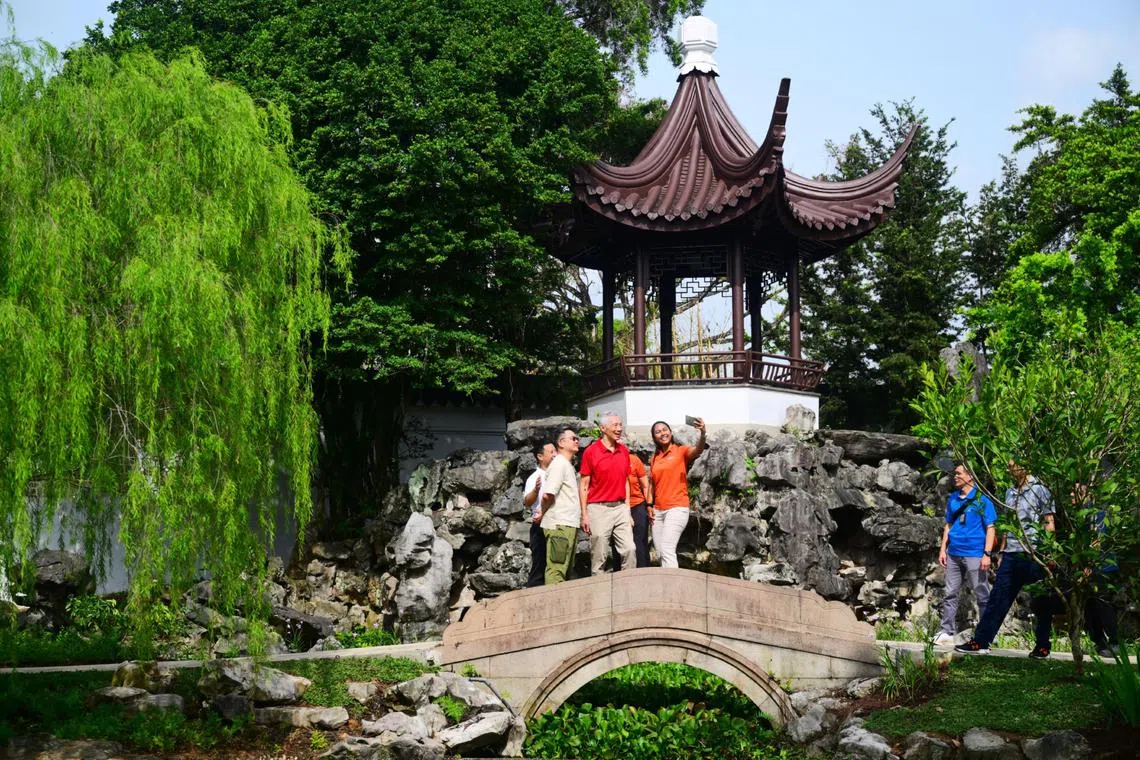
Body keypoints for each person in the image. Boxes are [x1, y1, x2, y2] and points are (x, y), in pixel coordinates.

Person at [956, 459, 1055, 655]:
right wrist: (1001, 551)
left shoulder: (1041, 490)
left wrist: (1049, 552)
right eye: (1008, 466)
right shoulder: (1010, 493)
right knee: (998, 598)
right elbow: (1009, 525)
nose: (1010, 469)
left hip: (1034, 553)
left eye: (1013, 465)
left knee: (1042, 601)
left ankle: (1043, 645)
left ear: (1025, 464)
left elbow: (1049, 522)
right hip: (1010, 554)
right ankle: (981, 641)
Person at [1026, 484, 1120, 659]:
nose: (1071, 495)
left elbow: (1096, 543)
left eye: (1075, 492)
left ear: (1087, 495)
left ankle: (1115, 642)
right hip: (1082, 568)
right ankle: (1099, 642)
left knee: (1102, 603)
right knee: (1087, 606)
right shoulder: (1077, 518)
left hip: (1100, 567)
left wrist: (1089, 567)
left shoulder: (1096, 515)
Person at [935, 464, 997, 646]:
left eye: (958, 474)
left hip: (975, 553)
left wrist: (987, 554)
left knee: (982, 594)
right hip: (954, 552)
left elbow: (991, 528)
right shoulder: (953, 498)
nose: (955, 477)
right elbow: (948, 525)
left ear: (970, 476)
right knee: (950, 593)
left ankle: (986, 635)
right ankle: (946, 632)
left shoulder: (982, 500)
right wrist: (943, 548)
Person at [579, 412, 636, 575]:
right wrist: (584, 514)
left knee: (630, 549)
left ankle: (628, 590)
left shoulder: (624, 451)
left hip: (620, 508)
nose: (619, 428)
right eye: (615, 425)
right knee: (599, 555)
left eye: (620, 425)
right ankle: (599, 594)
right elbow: (584, 484)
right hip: (598, 508)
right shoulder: (591, 452)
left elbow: (625, 481)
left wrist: (628, 509)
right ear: (603, 428)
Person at [648, 418, 707, 568]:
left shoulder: (680, 451)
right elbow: (652, 484)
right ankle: (666, 586)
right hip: (658, 511)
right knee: (661, 552)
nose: (662, 433)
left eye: (665, 430)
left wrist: (703, 432)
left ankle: (674, 588)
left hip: (677, 507)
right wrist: (649, 505)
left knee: (667, 549)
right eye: (658, 432)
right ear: (654, 437)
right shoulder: (654, 458)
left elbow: (698, 450)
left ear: (670, 432)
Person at [539, 428, 582, 585]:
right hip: (560, 525)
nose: (577, 441)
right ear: (561, 443)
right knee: (556, 571)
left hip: (567, 523)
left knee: (565, 570)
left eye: (577, 438)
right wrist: (541, 512)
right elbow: (548, 494)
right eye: (573, 438)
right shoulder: (559, 464)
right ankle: (552, 608)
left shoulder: (565, 464)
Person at [522, 442, 556, 588]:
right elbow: (527, 502)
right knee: (539, 563)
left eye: (555, 451)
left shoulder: (558, 473)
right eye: (551, 452)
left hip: (556, 522)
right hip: (539, 525)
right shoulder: (534, 477)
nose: (555, 454)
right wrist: (536, 490)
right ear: (540, 456)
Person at [627, 452, 652, 568]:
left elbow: (645, 486)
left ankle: (644, 573)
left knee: (640, 541)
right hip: (619, 507)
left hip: (637, 505)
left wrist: (649, 505)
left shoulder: (633, 460)